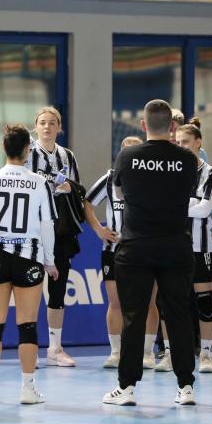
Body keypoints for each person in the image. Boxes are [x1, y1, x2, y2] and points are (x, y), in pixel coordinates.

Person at [103, 99, 199, 406]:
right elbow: (189, 191)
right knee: (178, 316)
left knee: (134, 316)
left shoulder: (127, 156)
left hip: (136, 246)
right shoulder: (186, 159)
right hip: (175, 246)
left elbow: (119, 192)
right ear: (172, 126)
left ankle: (126, 387)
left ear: (143, 125)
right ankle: (186, 386)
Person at [0, 124, 58, 404]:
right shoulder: (39, 182)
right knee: (27, 325)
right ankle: (27, 389)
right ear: (28, 149)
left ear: (3, 147)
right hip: (28, 257)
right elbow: (47, 225)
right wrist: (50, 261)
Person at [83, 135, 159, 370]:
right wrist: (100, 230)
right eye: (126, 152)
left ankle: (147, 352)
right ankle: (116, 352)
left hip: (146, 249)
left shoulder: (153, 177)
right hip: (113, 250)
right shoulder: (110, 178)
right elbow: (87, 203)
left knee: (148, 302)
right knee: (115, 303)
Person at [24, 107, 80, 367]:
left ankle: (55, 348)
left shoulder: (67, 155)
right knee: (30, 288)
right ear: (36, 127)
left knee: (58, 290)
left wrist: (70, 188)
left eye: (52, 123)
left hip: (60, 230)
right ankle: (30, 347)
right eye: (42, 122)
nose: (47, 127)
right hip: (32, 231)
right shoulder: (27, 153)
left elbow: (79, 189)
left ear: (59, 127)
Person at [174, 119, 212, 374]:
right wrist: (192, 202)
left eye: (186, 142)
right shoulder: (172, 170)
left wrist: (179, 205)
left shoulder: (211, 174)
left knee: (204, 301)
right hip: (175, 244)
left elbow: (204, 210)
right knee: (173, 301)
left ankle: (206, 354)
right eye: (178, 142)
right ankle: (171, 352)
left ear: (198, 142)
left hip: (201, 247)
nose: (181, 146)